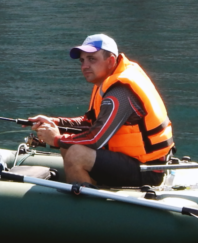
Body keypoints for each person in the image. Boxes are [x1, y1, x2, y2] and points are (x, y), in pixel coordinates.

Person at [28, 34, 174, 188]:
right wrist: (55, 122)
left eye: (92, 59)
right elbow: (89, 122)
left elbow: (95, 139)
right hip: (133, 161)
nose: (85, 66)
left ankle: (87, 206)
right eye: (82, 60)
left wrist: (56, 139)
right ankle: (91, 189)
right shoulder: (107, 82)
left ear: (110, 61)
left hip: (147, 170)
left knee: (75, 154)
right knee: (69, 147)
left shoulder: (120, 93)